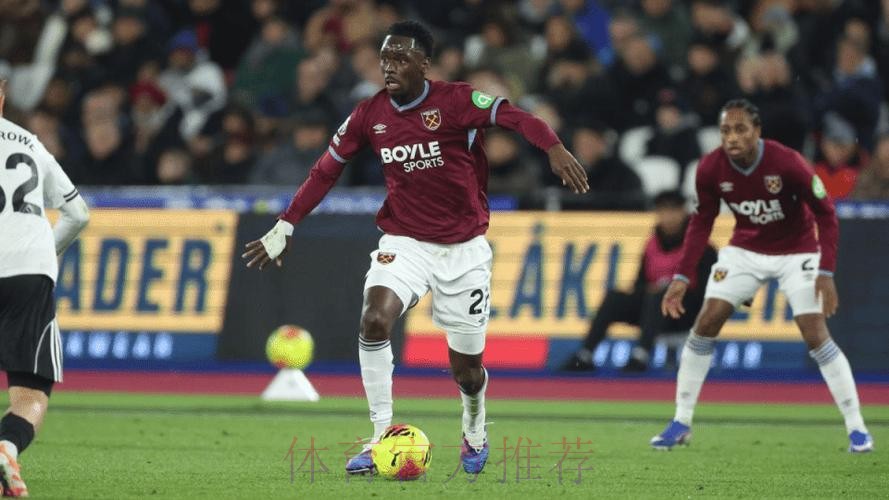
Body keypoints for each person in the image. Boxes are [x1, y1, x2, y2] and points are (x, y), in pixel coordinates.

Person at [241, 21, 588, 475]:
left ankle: (474, 423)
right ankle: (378, 436)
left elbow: (518, 118)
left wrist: (554, 148)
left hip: (464, 251)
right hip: (405, 242)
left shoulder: (457, 101)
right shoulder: (369, 114)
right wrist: (286, 223)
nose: (389, 66)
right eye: (385, 58)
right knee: (374, 318)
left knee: (467, 372)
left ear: (424, 64)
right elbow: (326, 169)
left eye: (401, 58)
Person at [652, 99, 873, 453]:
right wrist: (682, 276)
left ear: (757, 131)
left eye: (740, 129)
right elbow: (702, 222)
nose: (732, 137)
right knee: (706, 322)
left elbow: (826, 214)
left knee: (815, 333)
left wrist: (826, 271)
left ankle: (857, 429)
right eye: (726, 130)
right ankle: (681, 421)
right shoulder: (710, 168)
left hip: (797, 251)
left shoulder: (787, 162)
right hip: (746, 250)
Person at [0, 79, 90, 496]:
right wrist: (43, 256)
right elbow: (78, 213)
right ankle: (6, 447)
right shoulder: (30, 142)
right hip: (30, 271)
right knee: (31, 391)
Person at [561, 191, 716, 373]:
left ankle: (641, 354)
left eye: (673, 211)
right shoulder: (652, 245)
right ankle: (585, 354)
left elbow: (706, 292)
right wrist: (651, 291)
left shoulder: (703, 247)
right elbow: (640, 284)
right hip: (653, 310)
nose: (668, 217)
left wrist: (670, 291)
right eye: (663, 211)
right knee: (614, 298)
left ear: (684, 212)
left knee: (660, 295)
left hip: (685, 312)